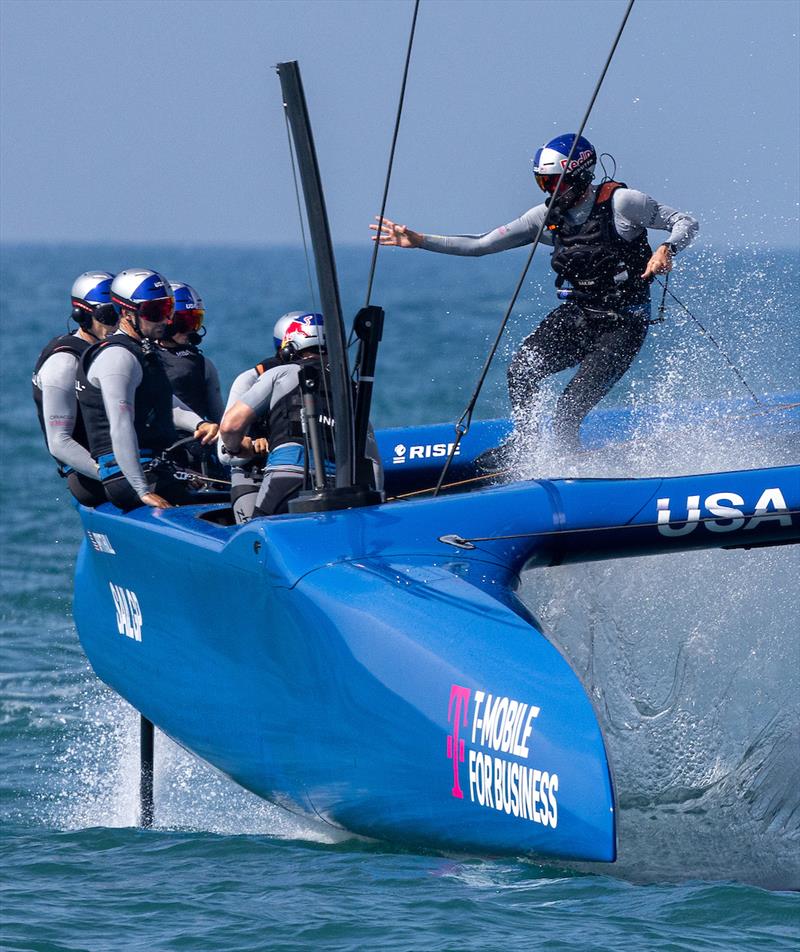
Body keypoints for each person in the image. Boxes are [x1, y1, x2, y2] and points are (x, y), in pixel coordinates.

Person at [372, 133, 699, 450]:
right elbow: (481, 244)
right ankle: (528, 448)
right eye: (543, 184)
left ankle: (568, 465)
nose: (551, 192)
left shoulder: (623, 203)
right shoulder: (544, 218)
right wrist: (420, 241)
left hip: (623, 325)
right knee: (522, 371)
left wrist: (666, 249)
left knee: (568, 410)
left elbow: (685, 221)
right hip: (578, 314)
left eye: (555, 183)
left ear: (581, 174)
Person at [76, 268, 217, 511]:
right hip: (125, 477)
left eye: (168, 309)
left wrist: (199, 424)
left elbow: (166, 402)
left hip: (154, 465)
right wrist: (141, 490)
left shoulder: (142, 351)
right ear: (127, 313)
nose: (165, 320)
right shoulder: (117, 356)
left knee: (221, 493)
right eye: (155, 312)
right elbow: (120, 425)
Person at [219, 312, 334, 519]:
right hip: (253, 471)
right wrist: (250, 447)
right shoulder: (251, 380)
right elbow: (224, 453)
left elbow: (229, 427)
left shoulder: (285, 374)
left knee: (262, 528)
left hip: (285, 470)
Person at [32, 271, 119, 506]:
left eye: (121, 314)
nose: (116, 323)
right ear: (82, 315)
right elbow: (59, 442)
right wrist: (115, 476)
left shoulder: (116, 353)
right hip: (92, 477)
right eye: (108, 315)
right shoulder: (64, 363)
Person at [157, 282, 224, 423]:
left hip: (193, 439)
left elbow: (219, 417)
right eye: (184, 323)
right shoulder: (142, 357)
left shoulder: (203, 364)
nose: (190, 330)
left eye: (195, 322)